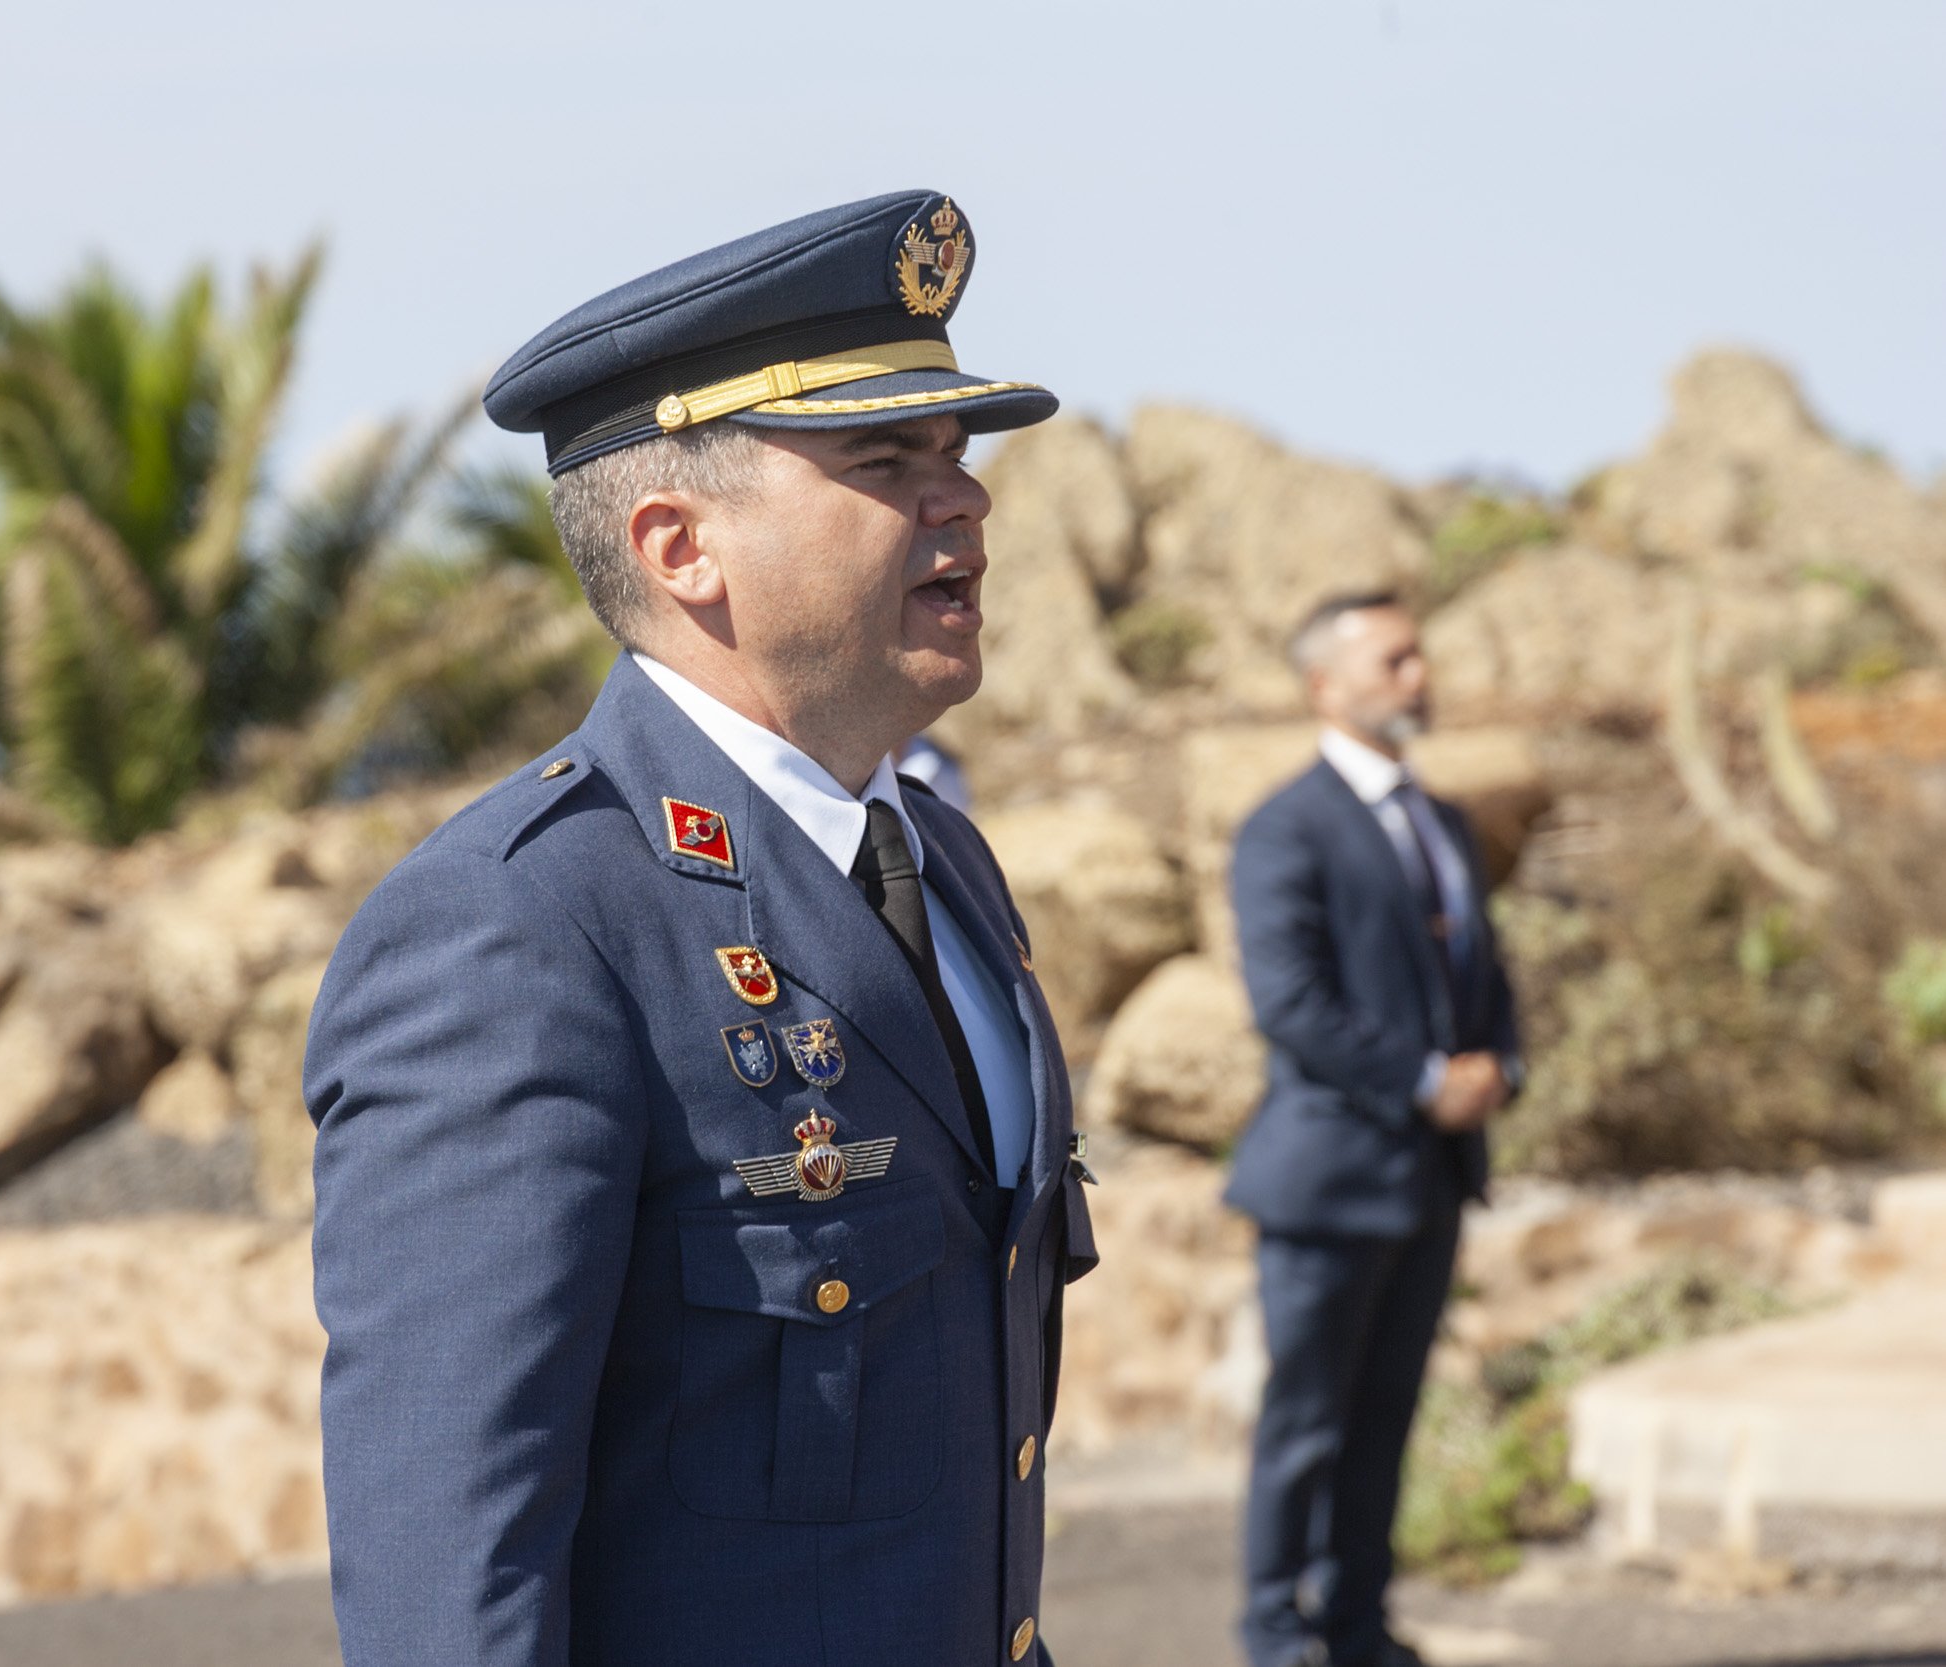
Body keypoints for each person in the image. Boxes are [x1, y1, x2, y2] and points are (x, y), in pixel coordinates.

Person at [305, 190, 1097, 1667]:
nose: (965, 498)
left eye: (956, 452)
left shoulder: (945, 867)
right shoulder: (524, 922)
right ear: (677, 545)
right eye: (884, 459)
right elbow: (449, 1549)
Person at [1223, 592, 1525, 1667]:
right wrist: (1422, 1078)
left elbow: (1484, 972)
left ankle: (1357, 1629)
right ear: (1325, 685)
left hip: (1433, 1179)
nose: (1418, 672)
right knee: (1304, 1429)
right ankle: (1273, 1638)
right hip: (1327, 1180)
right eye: (1392, 658)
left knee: (1384, 1423)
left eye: (1418, 654)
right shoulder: (1283, 826)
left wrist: (1501, 1065)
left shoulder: (1440, 820)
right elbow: (1290, 1003)